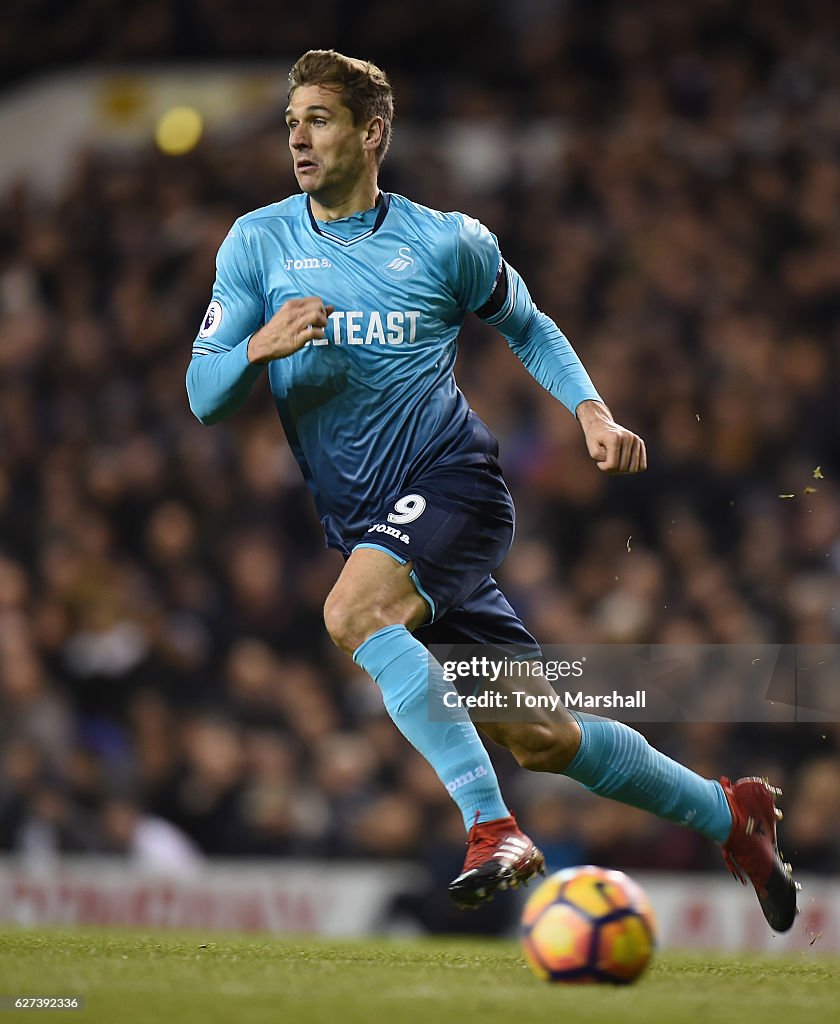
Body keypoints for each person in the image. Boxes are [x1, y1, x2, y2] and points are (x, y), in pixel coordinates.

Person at [186, 49, 797, 930]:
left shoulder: (447, 242)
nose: (298, 138)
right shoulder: (257, 242)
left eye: (318, 119)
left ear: (372, 132)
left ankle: (492, 828)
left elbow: (530, 323)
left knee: (353, 613)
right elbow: (204, 398)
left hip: (453, 485)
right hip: (372, 521)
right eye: (291, 123)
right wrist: (256, 348)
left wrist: (589, 411)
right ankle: (730, 814)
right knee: (543, 735)